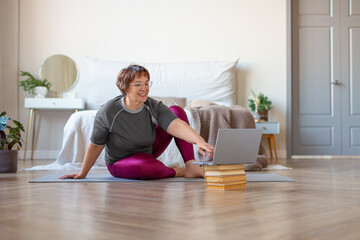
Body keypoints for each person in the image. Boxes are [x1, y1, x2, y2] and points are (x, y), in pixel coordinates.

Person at [60, 64, 214, 180]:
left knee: (176, 111)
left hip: (148, 152)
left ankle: (191, 166)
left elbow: (176, 124)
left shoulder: (152, 105)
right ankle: (179, 171)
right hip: (121, 162)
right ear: (125, 87)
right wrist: (83, 173)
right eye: (138, 84)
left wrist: (199, 141)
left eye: (147, 83)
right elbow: (96, 144)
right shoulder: (108, 111)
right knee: (143, 166)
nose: (144, 88)